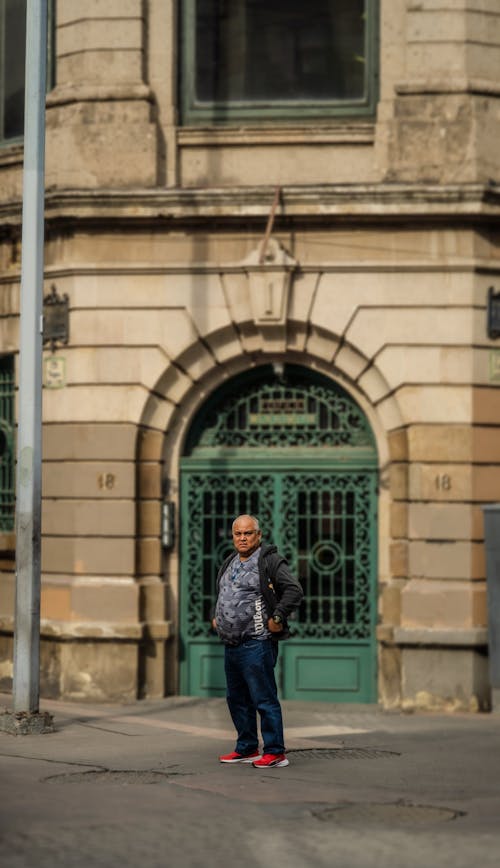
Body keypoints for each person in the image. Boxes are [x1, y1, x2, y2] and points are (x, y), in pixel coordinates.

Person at [212, 514, 303, 768]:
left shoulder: (268, 560)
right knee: (237, 699)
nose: (242, 538)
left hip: (257, 642)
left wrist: (278, 616)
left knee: (263, 699)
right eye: (238, 534)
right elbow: (226, 592)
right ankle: (247, 747)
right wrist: (217, 616)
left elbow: (294, 590)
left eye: (248, 533)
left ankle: (275, 752)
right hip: (232, 644)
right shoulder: (230, 561)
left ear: (258, 536)